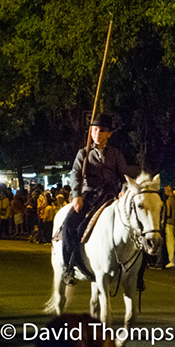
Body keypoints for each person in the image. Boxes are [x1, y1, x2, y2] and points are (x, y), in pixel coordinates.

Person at [62, 113, 129, 285]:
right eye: (95, 130)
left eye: (102, 130)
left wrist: (124, 190)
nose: (98, 133)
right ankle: (68, 268)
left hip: (111, 196)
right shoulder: (83, 153)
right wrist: (76, 195)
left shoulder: (116, 154)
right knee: (69, 224)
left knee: (136, 226)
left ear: (109, 134)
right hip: (89, 196)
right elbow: (75, 174)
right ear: (91, 132)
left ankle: (138, 272)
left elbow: (125, 176)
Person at [164, 185, 175, 268]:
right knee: (174, 241)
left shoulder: (168, 200)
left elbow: (168, 213)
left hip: (169, 223)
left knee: (170, 242)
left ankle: (171, 260)